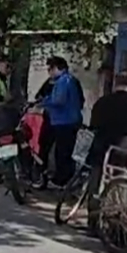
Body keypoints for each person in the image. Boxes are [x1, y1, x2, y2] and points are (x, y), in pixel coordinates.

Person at [85, 72, 127, 232]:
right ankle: (117, 221)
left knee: (95, 184)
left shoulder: (101, 102)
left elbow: (93, 128)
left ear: (115, 84)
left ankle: (93, 222)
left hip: (100, 149)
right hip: (124, 153)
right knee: (123, 186)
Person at [40, 56, 85, 187]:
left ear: (60, 68)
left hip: (64, 121)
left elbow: (58, 100)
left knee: (62, 152)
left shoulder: (64, 81)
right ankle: (66, 180)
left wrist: (44, 103)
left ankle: (61, 181)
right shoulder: (67, 80)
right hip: (67, 120)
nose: (50, 72)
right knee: (65, 151)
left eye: (51, 69)